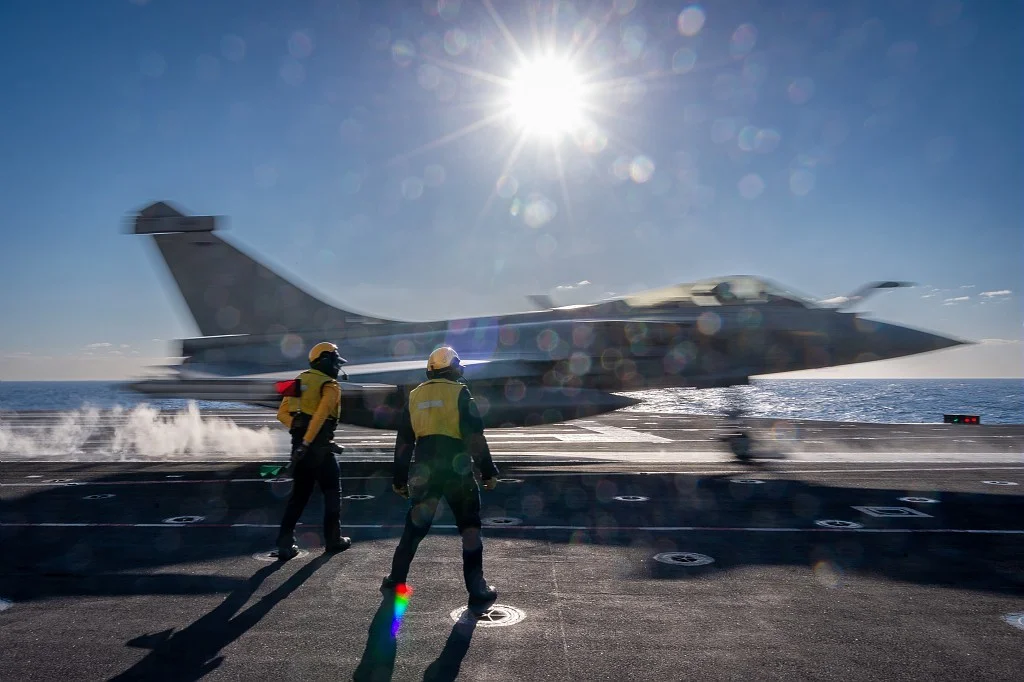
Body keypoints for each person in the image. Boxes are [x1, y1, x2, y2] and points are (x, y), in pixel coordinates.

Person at [381, 346, 500, 614]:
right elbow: (475, 437)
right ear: (453, 367)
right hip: (456, 469)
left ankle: (395, 578)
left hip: (424, 469)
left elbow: (404, 442)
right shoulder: (460, 393)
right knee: (469, 529)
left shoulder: (414, 395)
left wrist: (399, 479)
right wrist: (488, 471)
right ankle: (477, 589)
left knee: (414, 528)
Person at [274, 341, 352, 559]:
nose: (337, 366)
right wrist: (309, 441)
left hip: (299, 447)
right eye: (335, 361)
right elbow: (320, 416)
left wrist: (298, 433)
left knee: (298, 497)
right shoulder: (330, 385)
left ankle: (284, 543)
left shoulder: (297, 381)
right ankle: (333, 540)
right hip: (320, 449)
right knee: (332, 494)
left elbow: (281, 414)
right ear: (326, 360)